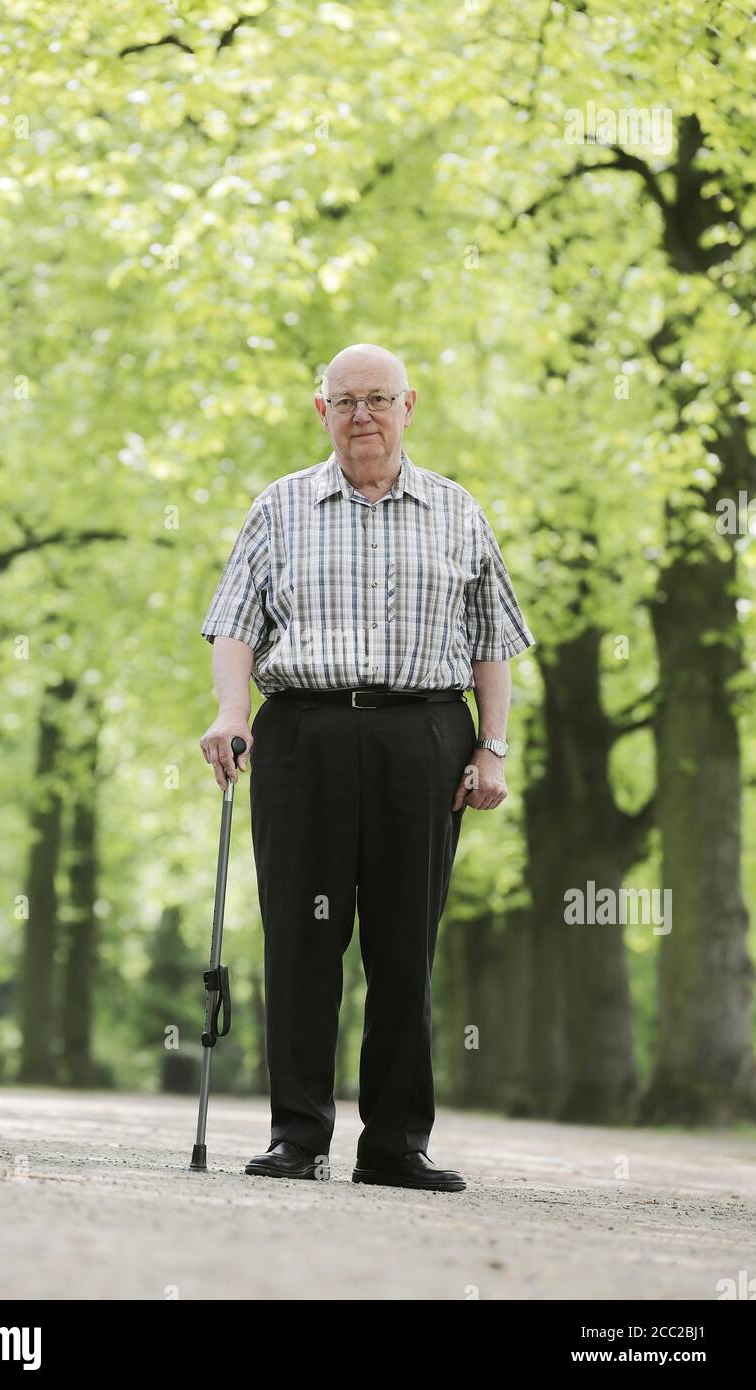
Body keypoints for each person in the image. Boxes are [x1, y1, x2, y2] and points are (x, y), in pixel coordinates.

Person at [199, 343, 535, 1192]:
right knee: (301, 943)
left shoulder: (458, 512)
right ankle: (298, 1134)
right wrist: (232, 715)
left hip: (421, 737)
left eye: (378, 399)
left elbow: (494, 642)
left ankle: (393, 1144)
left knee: (403, 944)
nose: (362, 416)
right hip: (305, 735)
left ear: (409, 405)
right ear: (322, 412)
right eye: (344, 401)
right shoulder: (279, 508)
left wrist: (491, 747)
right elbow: (235, 623)